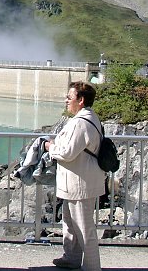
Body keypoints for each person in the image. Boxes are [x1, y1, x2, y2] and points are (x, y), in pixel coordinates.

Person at [44, 81, 105, 271]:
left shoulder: (81, 123)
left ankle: (92, 267)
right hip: (77, 180)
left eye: (69, 97)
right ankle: (71, 258)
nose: (66, 100)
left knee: (84, 228)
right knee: (70, 223)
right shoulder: (88, 118)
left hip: (81, 183)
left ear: (81, 100)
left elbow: (68, 152)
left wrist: (50, 147)